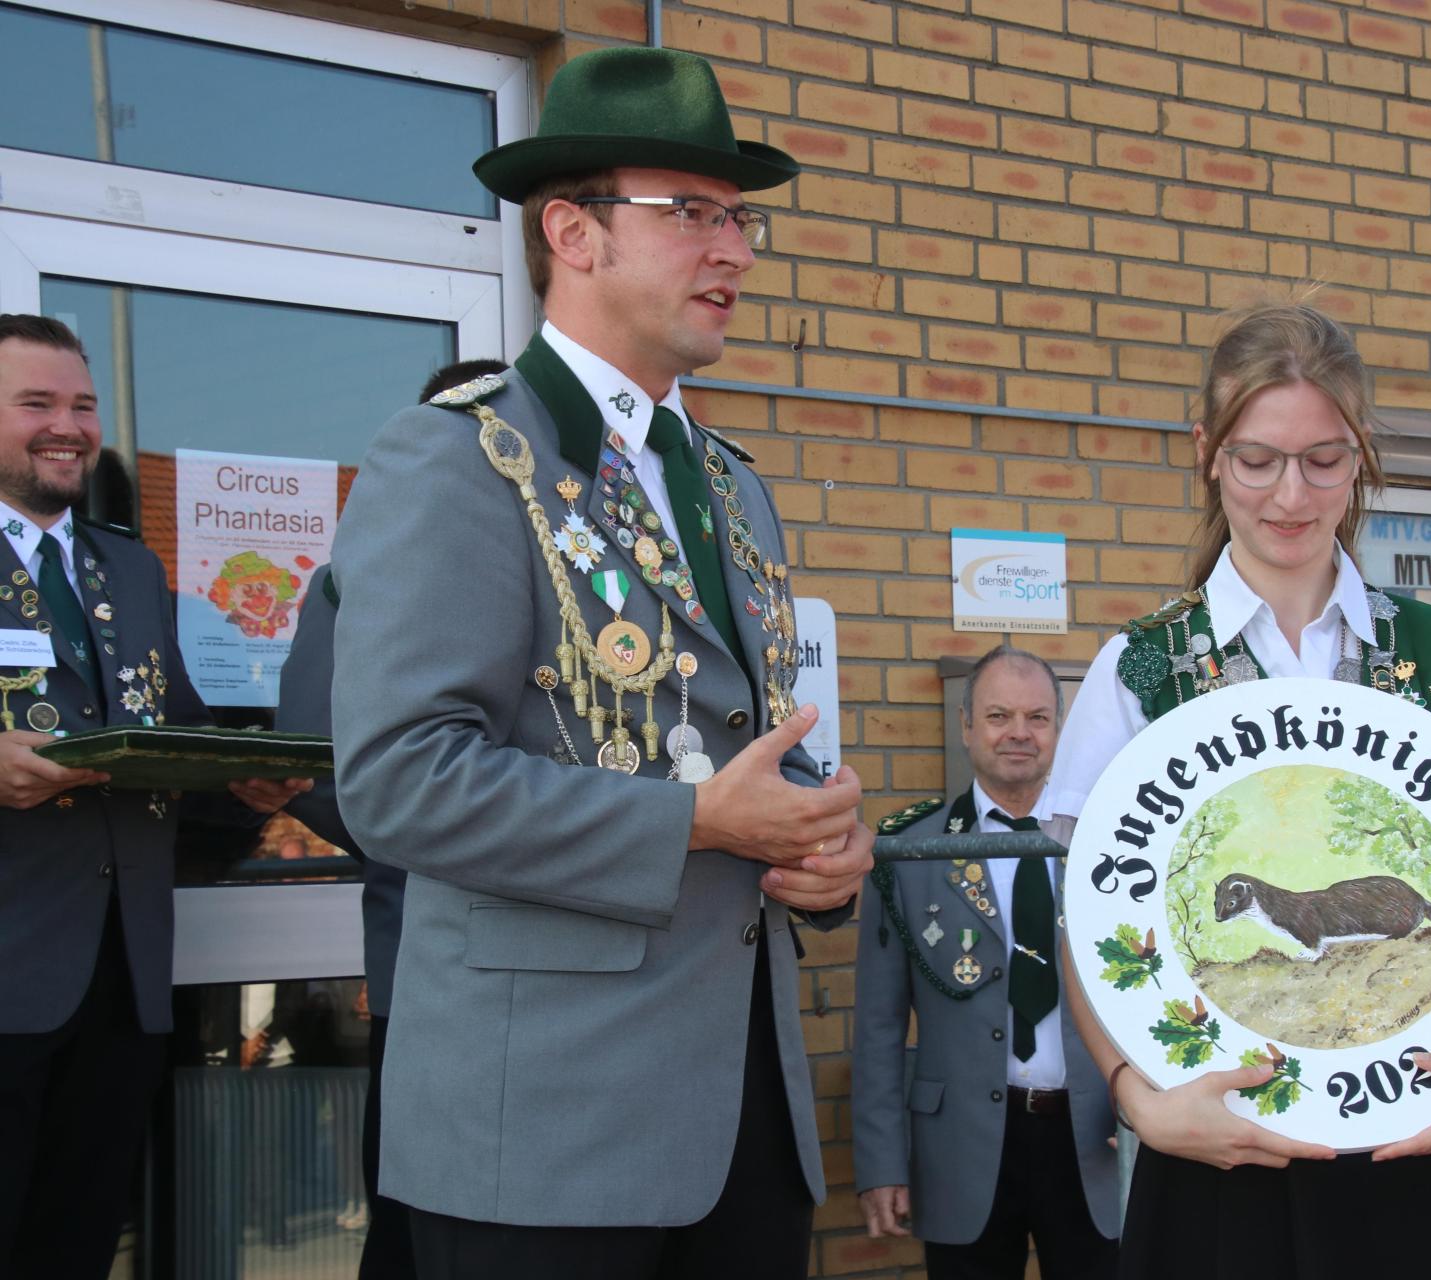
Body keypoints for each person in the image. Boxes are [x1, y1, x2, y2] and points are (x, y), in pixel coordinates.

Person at [327, 48, 871, 1278]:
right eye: (689, 213)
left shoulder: (733, 486)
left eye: (741, 218)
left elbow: (748, 747)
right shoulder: (457, 458)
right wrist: (692, 822)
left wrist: (826, 849)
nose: (731, 249)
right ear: (570, 229)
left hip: (741, 1123)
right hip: (547, 1136)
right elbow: (400, 777)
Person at [1050, 299, 1431, 1279]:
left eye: (1323, 458)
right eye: (1257, 458)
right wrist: (1134, 1091)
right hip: (1225, 1146)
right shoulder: (1142, 670)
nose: (1291, 492)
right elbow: (1093, 917)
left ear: (1361, 454)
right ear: (1208, 452)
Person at [0, 314, 310, 1278]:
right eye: (36, 403)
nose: (69, 426)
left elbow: (168, 747)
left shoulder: (127, 567)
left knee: (78, 1243)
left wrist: (249, 787)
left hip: (123, 981)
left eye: (84, 406)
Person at [276, 356, 510, 1278]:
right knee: (422, 1229)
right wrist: (462, 830)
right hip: (430, 962)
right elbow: (317, 765)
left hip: (586, 980)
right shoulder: (354, 581)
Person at [853, 647, 1119, 1279]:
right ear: (966, 725)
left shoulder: (1113, 842)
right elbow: (878, 1026)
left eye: (1038, 717)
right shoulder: (909, 853)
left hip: (1092, 1139)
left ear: (1060, 729)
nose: (1019, 733)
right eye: (999, 715)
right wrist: (882, 1163)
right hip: (961, 1150)